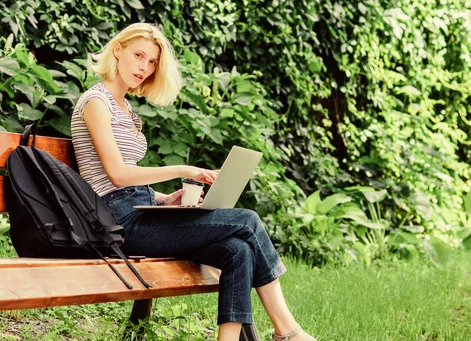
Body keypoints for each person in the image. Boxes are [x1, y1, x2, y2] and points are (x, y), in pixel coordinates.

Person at [70, 22, 316, 341]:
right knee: (249, 221)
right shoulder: (95, 103)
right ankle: (288, 331)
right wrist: (183, 169)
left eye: (152, 61)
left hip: (137, 211)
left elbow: (123, 179)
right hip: (117, 225)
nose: (144, 67)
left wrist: (161, 200)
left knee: (237, 249)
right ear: (118, 50)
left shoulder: (127, 111)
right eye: (139, 55)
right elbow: (116, 175)